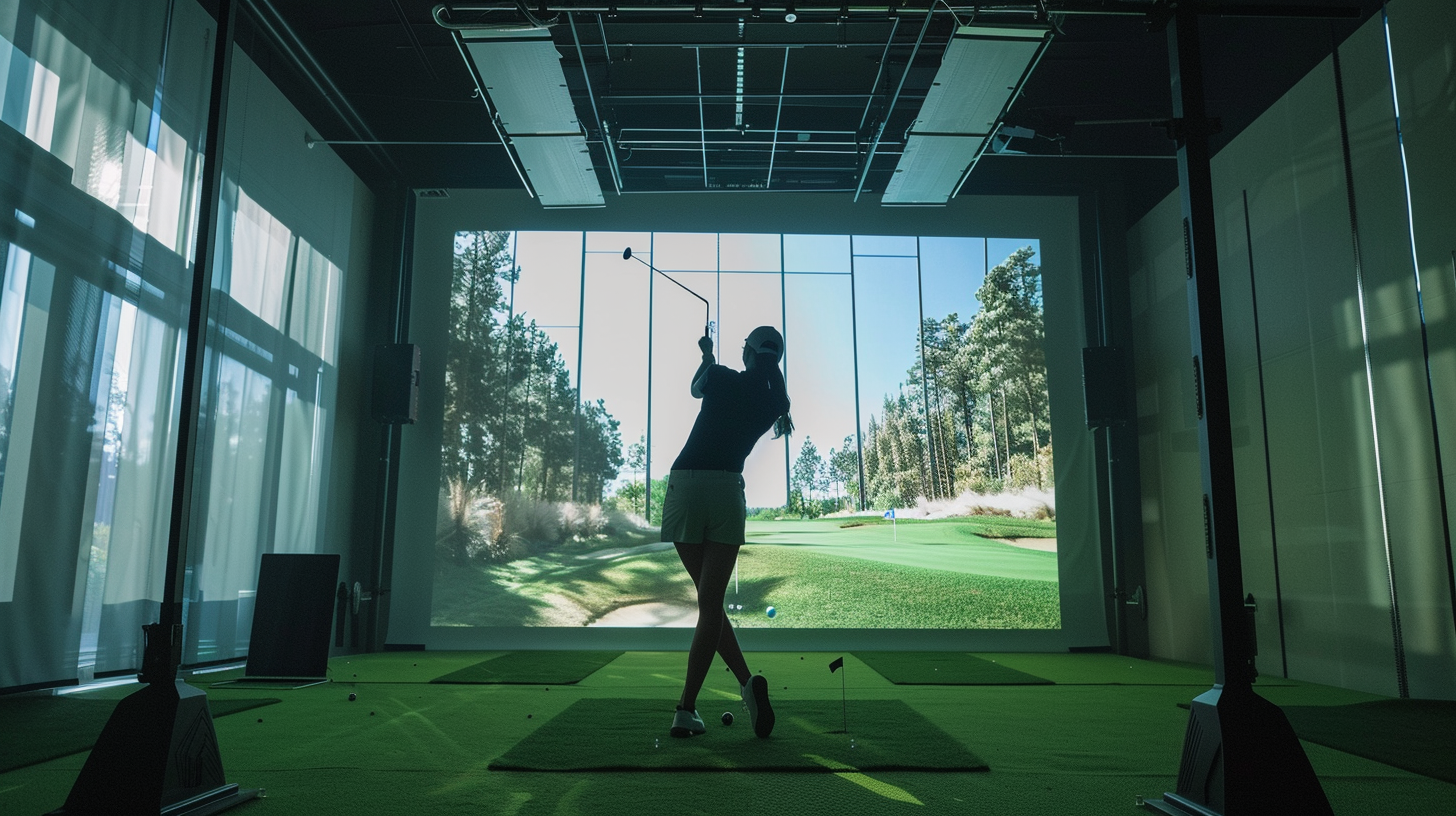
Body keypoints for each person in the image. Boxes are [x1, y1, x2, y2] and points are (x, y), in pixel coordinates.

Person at [661, 325, 793, 739]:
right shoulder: (775, 401)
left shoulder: (719, 375)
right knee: (712, 604)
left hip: (686, 485)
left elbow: (696, 389)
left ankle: (686, 708)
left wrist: (705, 354)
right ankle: (746, 685)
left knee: (709, 605)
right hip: (725, 492)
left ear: (748, 353)